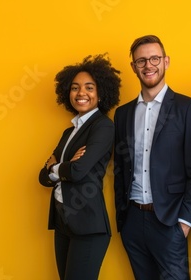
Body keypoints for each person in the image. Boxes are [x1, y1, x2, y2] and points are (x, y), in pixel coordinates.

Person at [113, 34, 191, 280]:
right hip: (132, 220)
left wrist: (185, 222)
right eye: (141, 61)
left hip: (169, 221)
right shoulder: (122, 114)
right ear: (134, 67)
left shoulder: (188, 108)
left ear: (166, 61)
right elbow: (120, 169)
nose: (148, 65)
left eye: (154, 58)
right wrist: (123, 216)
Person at [38, 54, 121, 280]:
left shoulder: (103, 126)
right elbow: (42, 177)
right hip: (64, 222)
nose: (81, 93)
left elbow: (78, 170)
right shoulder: (69, 132)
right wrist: (61, 168)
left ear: (101, 93)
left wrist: (57, 169)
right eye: (75, 88)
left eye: (89, 87)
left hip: (88, 225)